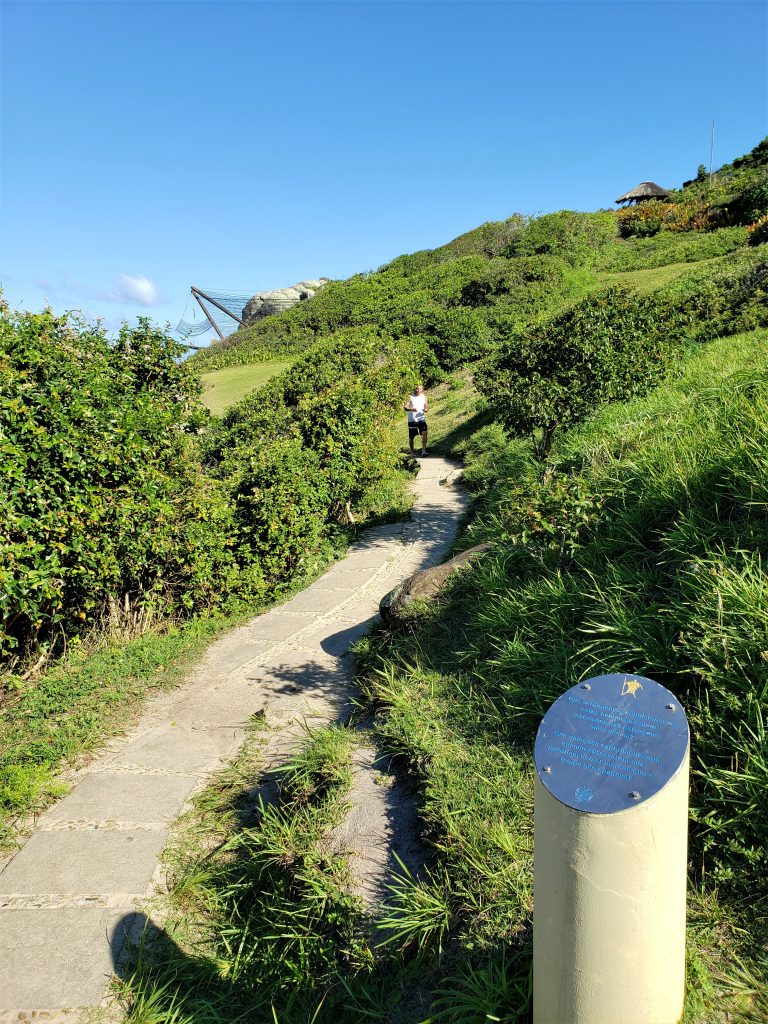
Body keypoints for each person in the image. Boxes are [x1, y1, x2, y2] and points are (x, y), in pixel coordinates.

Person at [404, 383, 429, 456]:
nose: (418, 390)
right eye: (417, 388)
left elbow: (426, 407)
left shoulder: (424, 397)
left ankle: (423, 451)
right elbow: (405, 407)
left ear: (422, 390)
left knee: (424, 433)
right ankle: (412, 452)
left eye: (420, 389)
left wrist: (426, 409)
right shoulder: (410, 396)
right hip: (412, 419)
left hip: (421, 418)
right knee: (411, 436)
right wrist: (411, 409)